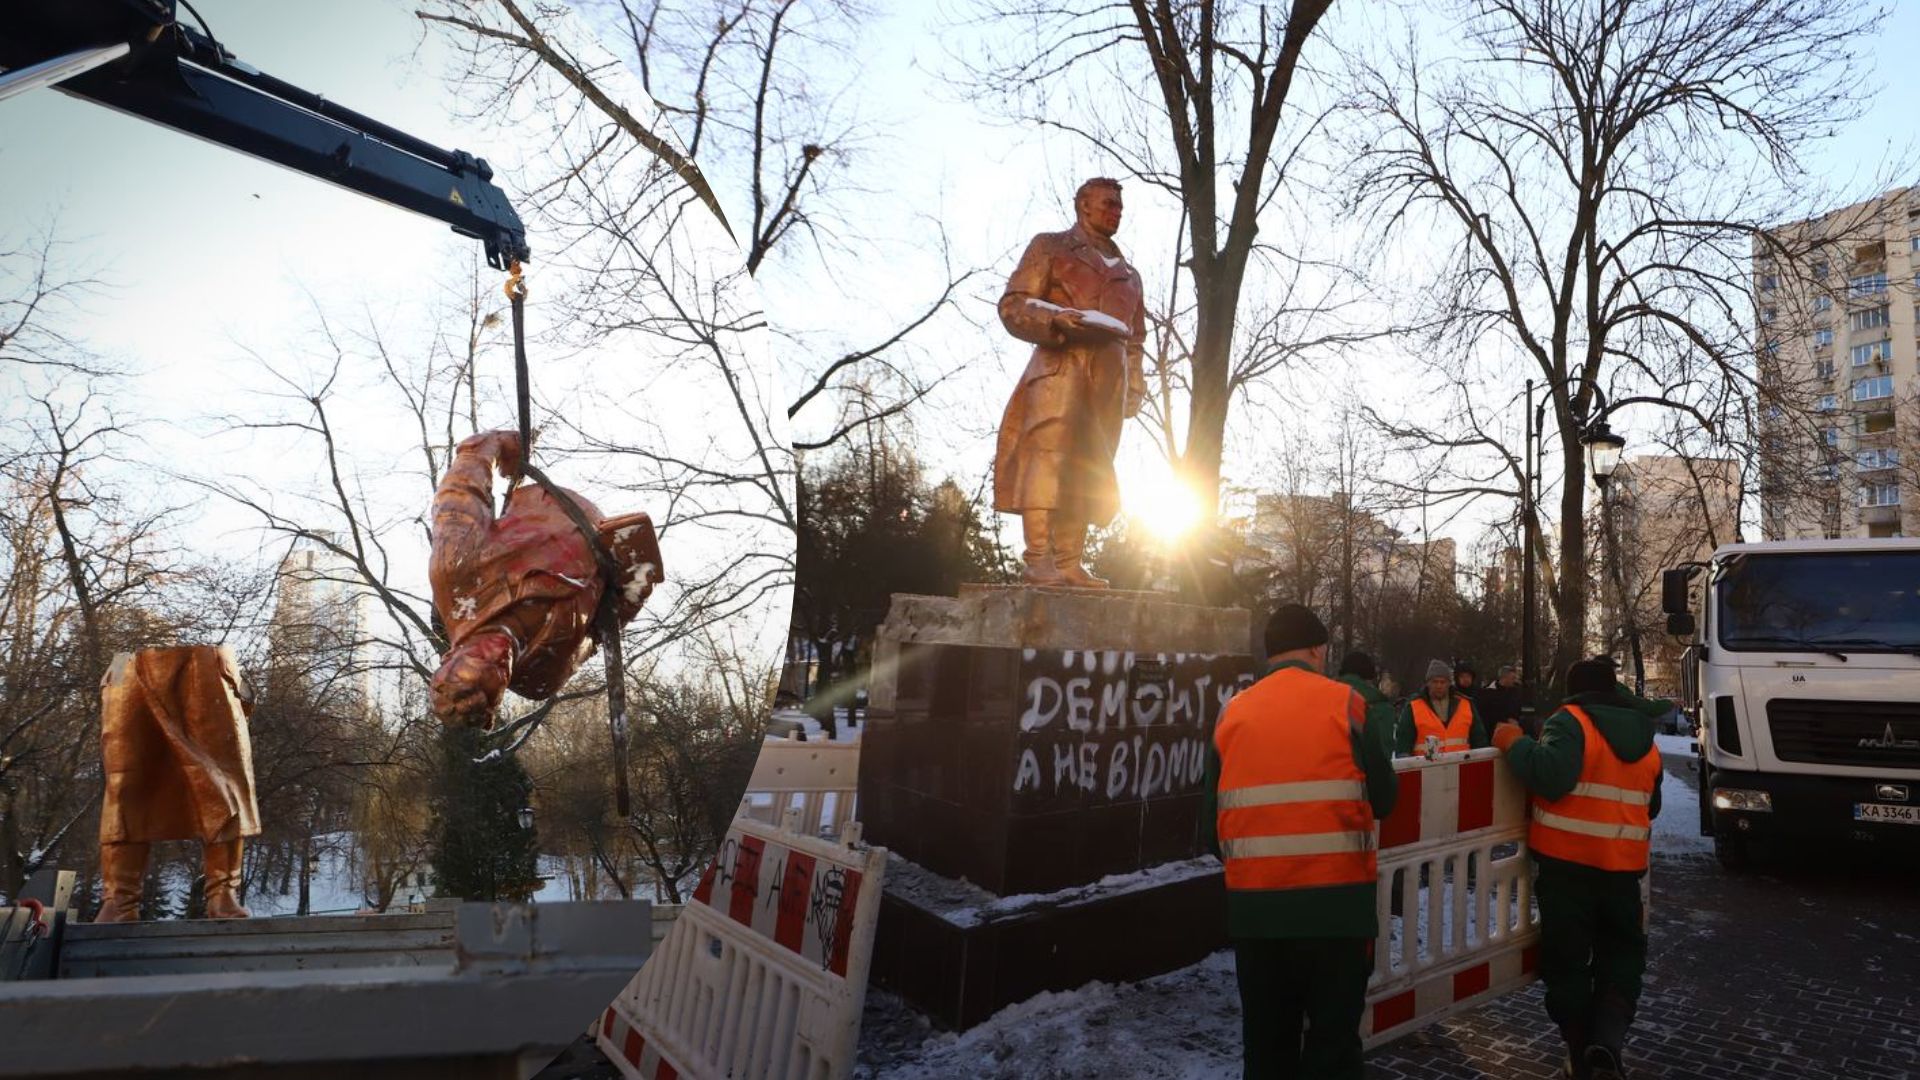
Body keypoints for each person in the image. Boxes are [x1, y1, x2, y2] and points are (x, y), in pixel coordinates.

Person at [1203, 605, 1398, 1080]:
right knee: (1332, 1046)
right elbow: (1385, 799)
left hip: (1257, 916)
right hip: (1337, 913)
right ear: (1316, 649)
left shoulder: (1231, 714)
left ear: (1270, 654)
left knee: (1267, 1047)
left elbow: (1213, 830)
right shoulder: (1349, 705)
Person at [1490, 659, 1664, 1079]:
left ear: (1574, 691)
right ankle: (1607, 1040)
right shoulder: (1644, 737)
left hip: (1569, 865)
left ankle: (1580, 1046)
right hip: (1623, 868)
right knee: (1622, 953)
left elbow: (1551, 775)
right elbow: (1651, 805)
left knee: (1567, 960)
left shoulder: (1571, 721)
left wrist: (1512, 741)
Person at [428, 430, 664, 728]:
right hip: (613, 550)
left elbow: (460, 490)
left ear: (449, 655)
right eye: (502, 671)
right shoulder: (539, 678)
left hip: (554, 508)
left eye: (484, 656)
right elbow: (603, 630)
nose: (502, 654)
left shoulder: (455, 571)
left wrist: (499, 444)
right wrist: (634, 575)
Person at [992, 177, 1147, 588]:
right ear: (1083, 205)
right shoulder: (1051, 246)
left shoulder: (1130, 275)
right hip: (1059, 364)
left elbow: (1136, 337)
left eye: (1119, 206)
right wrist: (1053, 318)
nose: (1116, 211)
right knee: (1046, 456)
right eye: (1108, 204)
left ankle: (1069, 562)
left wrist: (1136, 383)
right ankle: (1039, 559)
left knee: (1090, 466)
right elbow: (1014, 304)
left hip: (1108, 380)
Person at [95, 646, 260, 922]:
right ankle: (119, 900)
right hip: (125, 661)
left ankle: (223, 894)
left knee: (222, 780)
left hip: (207, 658)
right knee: (124, 782)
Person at [1396, 658, 1488, 757]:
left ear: (1449, 683)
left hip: (1461, 765)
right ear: (1428, 683)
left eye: (1443, 682)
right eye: (1435, 682)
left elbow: (1479, 738)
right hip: (1426, 767)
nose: (1439, 686)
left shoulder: (1466, 704)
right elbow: (1403, 741)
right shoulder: (1414, 706)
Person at [1336, 649, 1396, 757]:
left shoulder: (1324, 698)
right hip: (1360, 772)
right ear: (1369, 677)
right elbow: (1382, 754)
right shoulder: (1381, 706)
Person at [1477, 663, 1528, 732]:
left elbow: (1517, 708)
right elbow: (1486, 713)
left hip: (1513, 729)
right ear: (1504, 678)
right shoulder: (1488, 693)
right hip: (1494, 730)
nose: (1514, 680)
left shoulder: (1515, 691)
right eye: (1512, 678)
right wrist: (1505, 720)